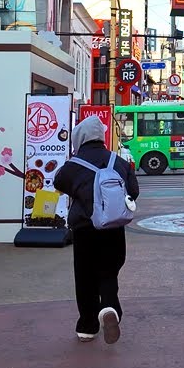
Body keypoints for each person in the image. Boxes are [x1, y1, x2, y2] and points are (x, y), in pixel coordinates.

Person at [52, 115, 139, 344]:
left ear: (79, 138)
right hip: (113, 226)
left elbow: (58, 182)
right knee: (109, 270)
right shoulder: (117, 161)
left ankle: (87, 326)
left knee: (85, 275)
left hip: (84, 228)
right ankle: (109, 308)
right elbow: (133, 190)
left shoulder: (73, 165)